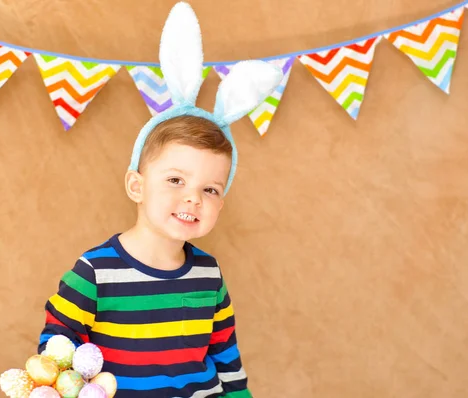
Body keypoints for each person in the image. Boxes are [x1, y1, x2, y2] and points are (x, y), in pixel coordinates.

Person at [37, 2, 283, 397]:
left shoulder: (209, 275)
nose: (193, 198)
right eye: (175, 180)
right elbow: (56, 349)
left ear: (222, 202)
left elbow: (226, 356)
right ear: (137, 186)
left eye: (210, 189)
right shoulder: (96, 272)